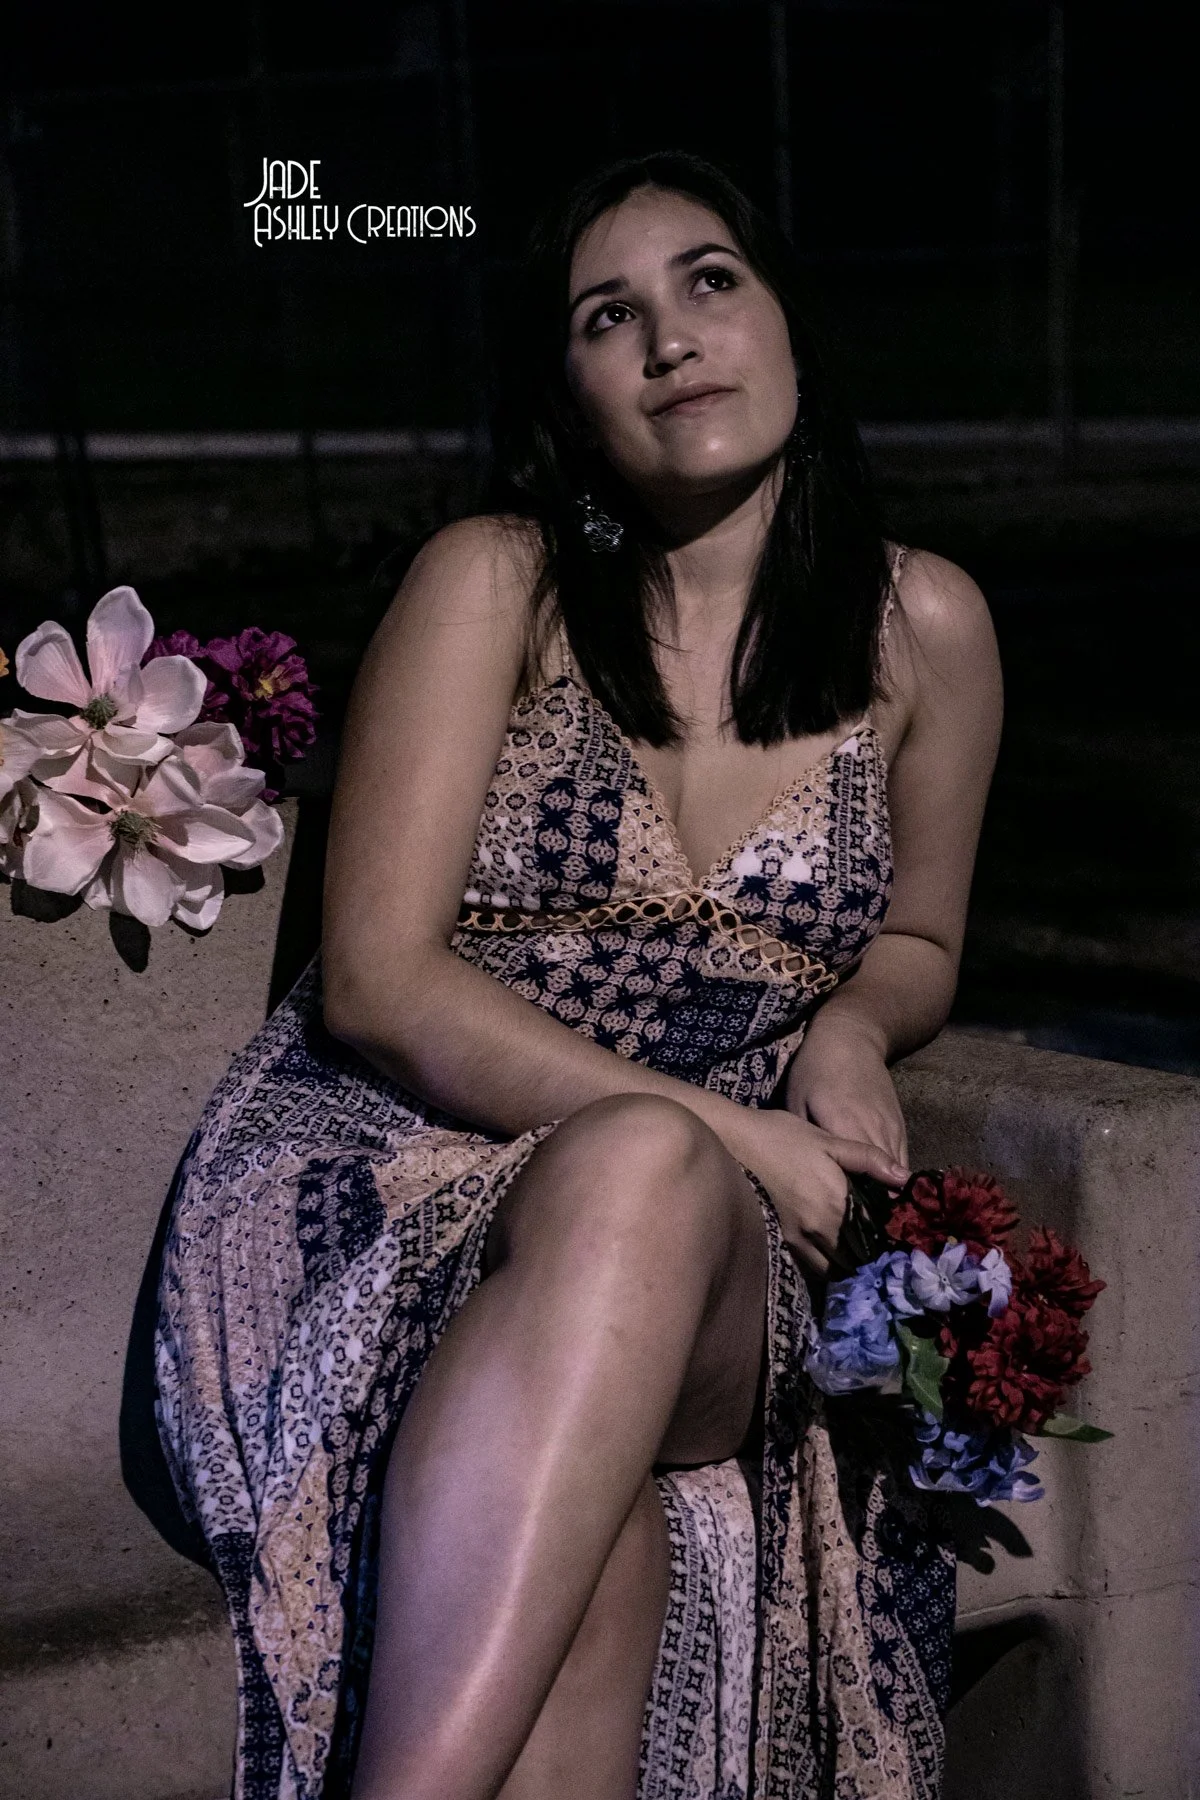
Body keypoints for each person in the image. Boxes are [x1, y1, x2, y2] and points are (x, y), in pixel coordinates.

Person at [150, 150, 1002, 1800]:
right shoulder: (494, 583)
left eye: (710, 283)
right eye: (611, 317)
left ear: (791, 329)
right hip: (386, 1170)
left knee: (643, 1184)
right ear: (570, 396)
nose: (672, 339)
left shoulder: (929, 628)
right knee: (595, 1518)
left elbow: (926, 937)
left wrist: (852, 1023)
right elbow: (379, 985)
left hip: (701, 1237)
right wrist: (730, 1127)